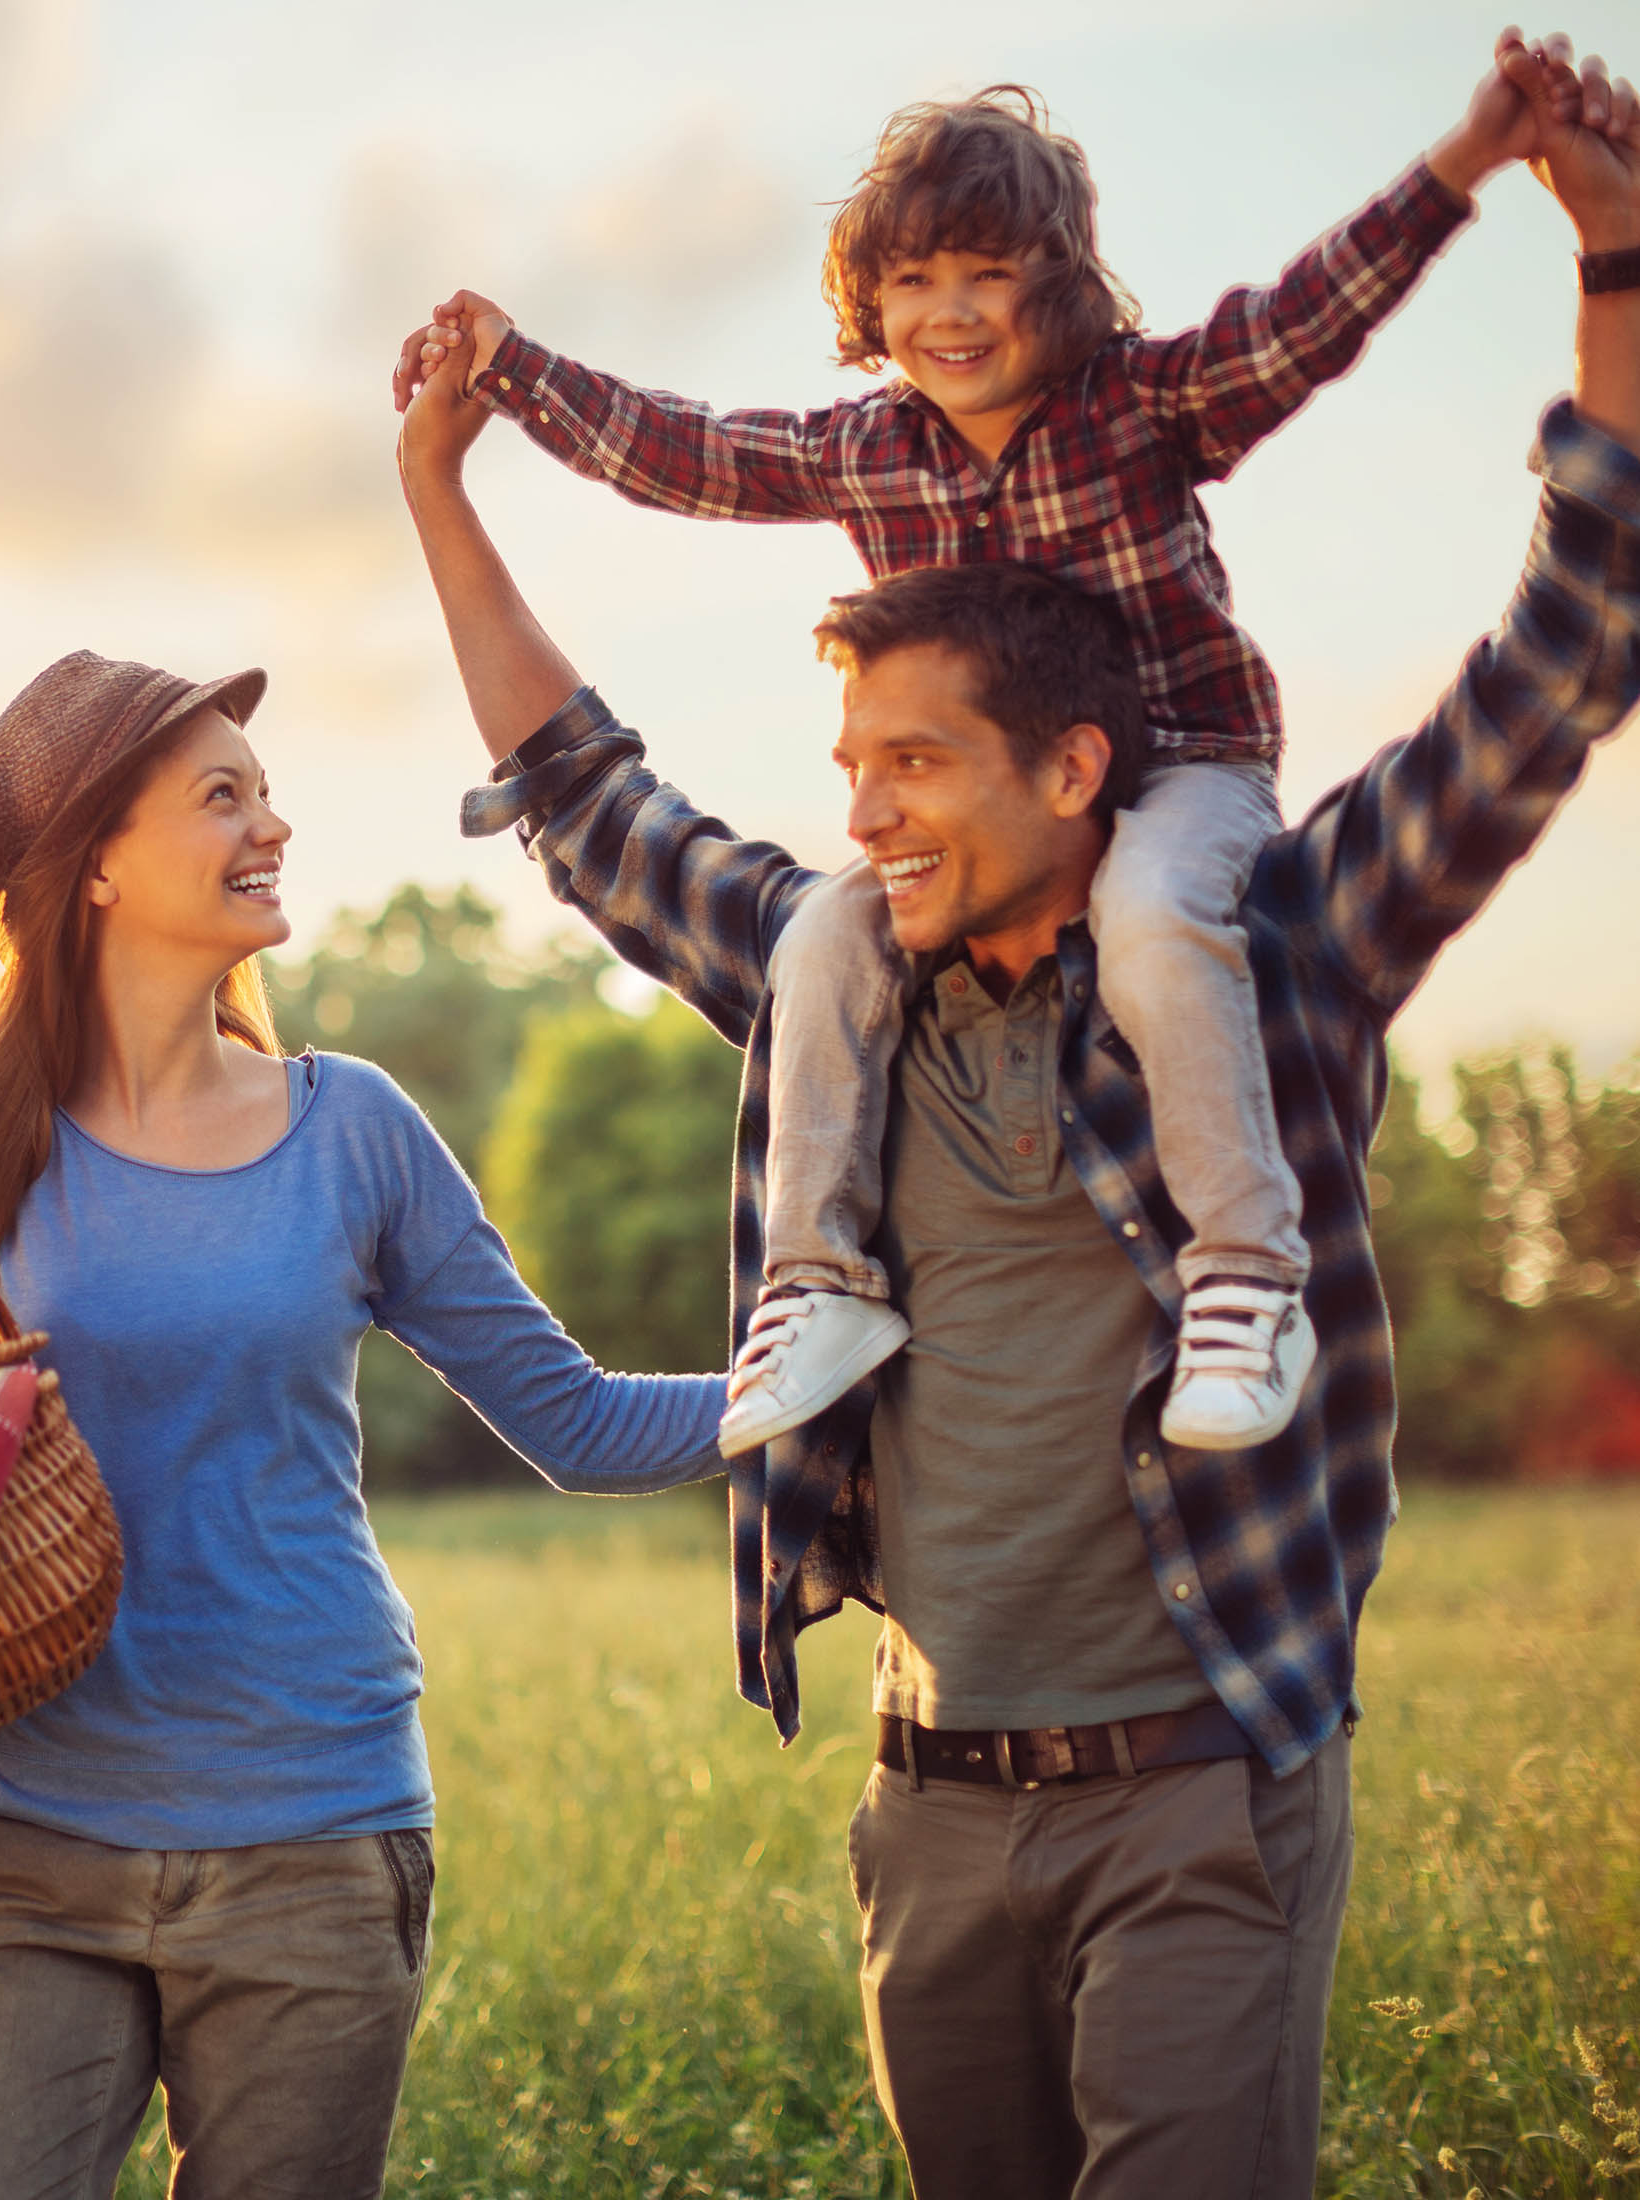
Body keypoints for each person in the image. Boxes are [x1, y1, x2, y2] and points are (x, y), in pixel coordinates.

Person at [394, 32, 1640, 2198]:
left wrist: (1619, 260)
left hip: (1198, 1782)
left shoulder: (1274, 954)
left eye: (914, 766)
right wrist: (442, 482)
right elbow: (593, 800)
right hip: (924, 1795)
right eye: (849, 759)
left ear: (1076, 768)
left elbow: (1564, 642)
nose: (860, 809)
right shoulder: (833, 978)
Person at [393, 38, 1562, 1459]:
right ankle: (820, 1282)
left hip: (1181, 768)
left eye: (988, 274)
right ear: (870, 302)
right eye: (912, 281)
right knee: (823, 941)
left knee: (1147, 919)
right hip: (987, 836)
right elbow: (685, 449)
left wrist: (1463, 165)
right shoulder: (870, 450)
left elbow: (1298, 323)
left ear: (1058, 284)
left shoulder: (1140, 404)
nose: (948, 314)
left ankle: (1248, 1269)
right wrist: (512, 371)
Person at [0, 650, 728, 2200]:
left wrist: (815, 1385)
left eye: (265, 790)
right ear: (98, 865)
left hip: (314, 1840)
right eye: (222, 796)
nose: (275, 826)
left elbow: (576, 1426)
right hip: (23, 1841)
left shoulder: (355, 1131)